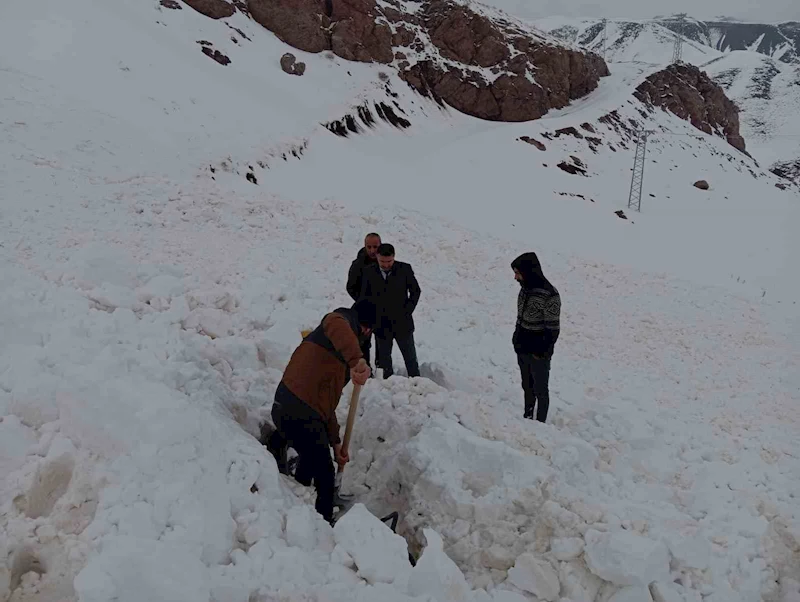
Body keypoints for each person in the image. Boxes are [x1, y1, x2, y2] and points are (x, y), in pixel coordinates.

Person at [266, 300, 375, 523]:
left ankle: (299, 488)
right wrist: (357, 362)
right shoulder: (336, 323)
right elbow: (337, 324)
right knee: (325, 472)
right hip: (296, 411)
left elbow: (327, 408)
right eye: (365, 329)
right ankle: (324, 524)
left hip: (293, 410)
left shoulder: (334, 360)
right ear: (363, 327)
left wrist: (336, 444)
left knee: (315, 451)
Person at [511, 252, 561, 422]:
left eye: (518, 273)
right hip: (523, 348)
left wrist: (542, 352)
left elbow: (552, 330)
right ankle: (527, 417)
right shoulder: (524, 290)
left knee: (541, 390)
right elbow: (520, 318)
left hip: (539, 353)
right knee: (527, 386)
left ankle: (540, 424)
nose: (515, 277)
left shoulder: (550, 295)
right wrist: (516, 339)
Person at [360, 243, 421, 379]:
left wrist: (407, 310)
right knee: (384, 363)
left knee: (410, 360)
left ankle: (418, 387)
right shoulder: (369, 272)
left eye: (389, 261)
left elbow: (415, 291)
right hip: (381, 325)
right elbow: (365, 298)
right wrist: (367, 321)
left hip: (402, 323)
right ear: (377, 257)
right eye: (382, 261)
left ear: (394, 257)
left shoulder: (404, 269)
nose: (386, 265)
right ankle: (387, 390)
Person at [346, 233, 381, 371]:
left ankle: (381, 369)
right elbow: (350, 287)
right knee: (364, 341)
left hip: (383, 309)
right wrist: (363, 301)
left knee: (382, 341)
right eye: (369, 247)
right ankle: (364, 369)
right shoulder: (358, 264)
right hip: (364, 309)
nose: (372, 250)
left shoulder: (385, 260)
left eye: (375, 247)